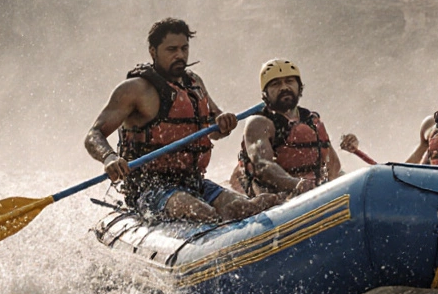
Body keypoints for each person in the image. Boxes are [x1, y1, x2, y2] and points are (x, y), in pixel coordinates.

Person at [85, 18, 280, 222]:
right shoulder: (135, 89)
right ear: (153, 51)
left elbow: (215, 130)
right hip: (149, 189)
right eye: (171, 50)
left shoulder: (194, 83)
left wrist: (224, 123)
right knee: (204, 214)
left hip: (193, 183)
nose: (180, 55)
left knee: (245, 208)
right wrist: (109, 158)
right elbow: (93, 135)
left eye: (184, 48)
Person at [233, 58, 348, 196]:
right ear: (265, 93)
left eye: (289, 81)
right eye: (276, 84)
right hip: (277, 200)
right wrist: (297, 185)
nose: (284, 87)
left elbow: (333, 168)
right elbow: (263, 166)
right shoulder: (258, 123)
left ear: (299, 88)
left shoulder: (311, 120)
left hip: (313, 192)